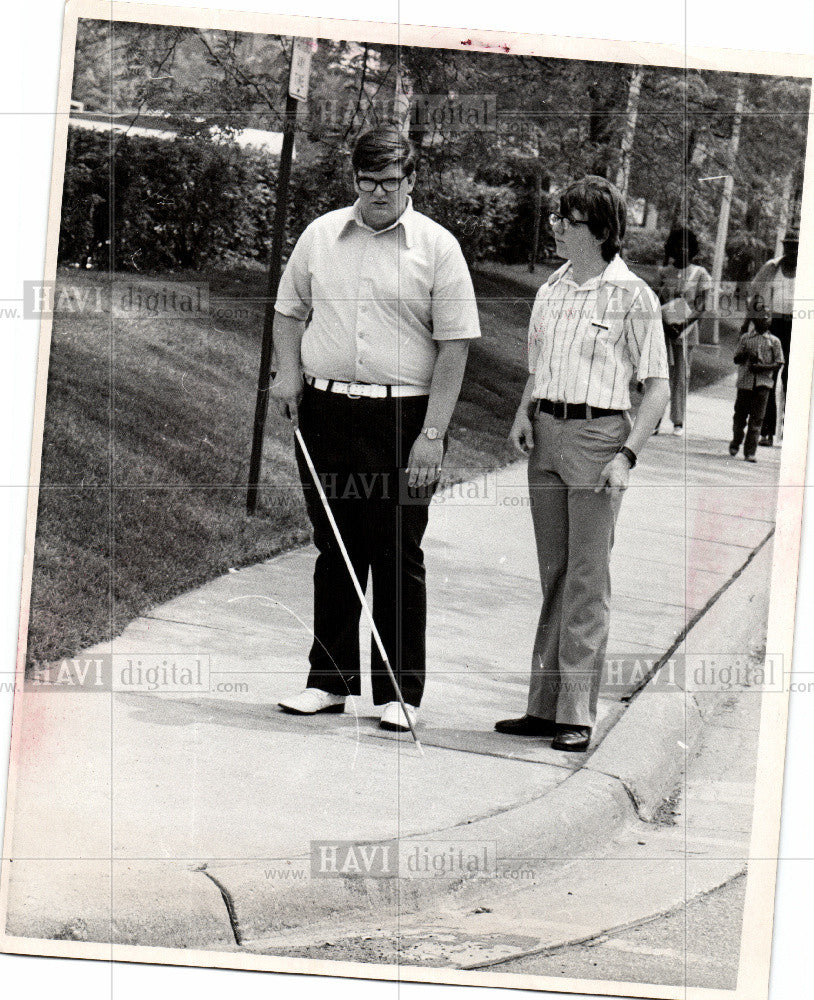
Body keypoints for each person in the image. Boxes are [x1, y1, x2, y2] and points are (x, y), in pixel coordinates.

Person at [270, 125, 481, 732]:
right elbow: (288, 311)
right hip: (327, 410)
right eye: (368, 183)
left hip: (404, 418)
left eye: (391, 182)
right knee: (334, 547)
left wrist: (433, 435)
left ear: (411, 180)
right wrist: (289, 373)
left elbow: (456, 346)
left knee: (396, 551)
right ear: (355, 181)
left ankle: (399, 694)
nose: (379, 194)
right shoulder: (321, 236)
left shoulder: (438, 248)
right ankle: (328, 683)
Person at [494, 176, 669, 753]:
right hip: (547, 434)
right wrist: (524, 413)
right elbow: (538, 365)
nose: (556, 228)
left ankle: (576, 713)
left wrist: (627, 455)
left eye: (566, 221)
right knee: (555, 576)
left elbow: (657, 387)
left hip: (599, 439)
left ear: (598, 229)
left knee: (587, 580)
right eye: (555, 219)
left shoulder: (632, 296)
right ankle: (542, 708)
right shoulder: (552, 290)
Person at [654, 227, 711, 436]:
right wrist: (667, 324)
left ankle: (678, 421)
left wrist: (684, 324)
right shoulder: (663, 273)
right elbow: (655, 301)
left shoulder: (700, 273)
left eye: (686, 246)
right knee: (660, 375)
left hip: (686, 332)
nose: (682, 250)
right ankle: (655, 419)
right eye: (678, 245)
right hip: (664, 330)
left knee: (680, 375)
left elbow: (702, 305)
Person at [746, 229, 798, 446]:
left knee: (792, 381)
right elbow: (755, 295)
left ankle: (792, 431)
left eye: (795, 246)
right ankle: (766, 431)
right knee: (769, 377)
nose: (791, 250)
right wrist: (749, 322)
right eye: (788, 245)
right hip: (773, 324)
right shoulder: (771, 268)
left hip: (798, 326)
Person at [729, 306, 785, 462]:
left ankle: (750, 451)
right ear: (754, 319)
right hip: (745, 384)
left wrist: (762, 368)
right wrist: (745, 355)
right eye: (762, 317)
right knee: (740, 417)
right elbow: (736, 359)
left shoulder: (774, 342)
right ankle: (736, 439)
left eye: (768, 317)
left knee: (757, 419)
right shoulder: (746, 338)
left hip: (763, 385)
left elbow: (778, 363)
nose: (766, 320)